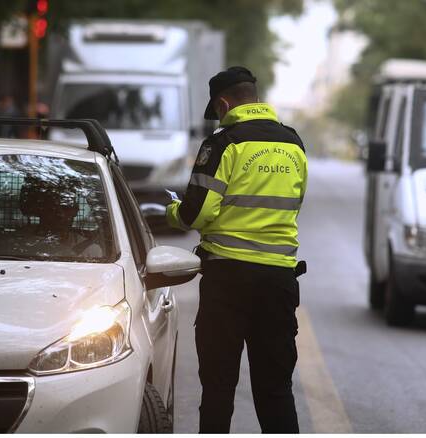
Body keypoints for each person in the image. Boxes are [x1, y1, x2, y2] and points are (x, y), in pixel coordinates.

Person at [166, 66, 308, 433]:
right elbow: (294, 203)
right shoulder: (294, 144)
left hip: (227, 281)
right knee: (276, 389)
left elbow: (196, 213)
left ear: (224, 104)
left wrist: (171, 212)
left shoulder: (223, 143)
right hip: (279, 280)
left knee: (218, 388)